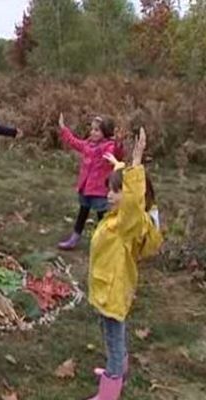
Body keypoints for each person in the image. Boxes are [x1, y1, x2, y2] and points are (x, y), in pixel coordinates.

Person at [86, 128, 163, 400]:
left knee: (114, 338)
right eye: (109, 188)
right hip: (105, 286)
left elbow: (132, 199)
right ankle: (116, 367)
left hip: (113, 290)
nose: (109, 195)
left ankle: (110, 388)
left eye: (115, 191)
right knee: (108, 332)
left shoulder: (127, 223)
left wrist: (137, 160)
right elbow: (128, 196)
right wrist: (119, 166)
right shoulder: (117, 217)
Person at [58, 113, 125, 250]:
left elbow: (117, 154)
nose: (92, 132)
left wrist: (118, 143)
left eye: (96, 130)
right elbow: (74, 142)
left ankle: (107, 242)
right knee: (82, 214)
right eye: (92, 129)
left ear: (105, 132)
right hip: (85, 188)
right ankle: (74, 239)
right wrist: (63, 129)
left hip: (100, 190)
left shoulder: (108, 146)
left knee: (102, 217)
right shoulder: (88, 145)